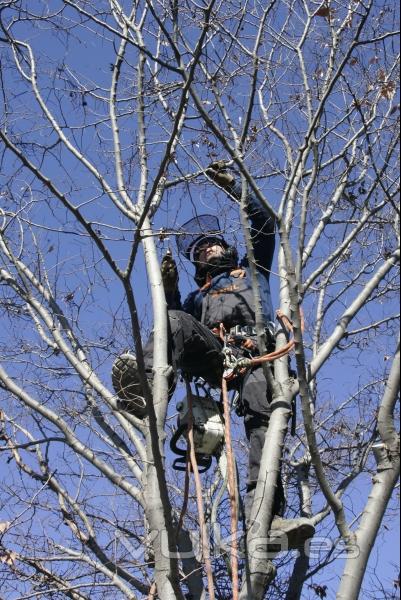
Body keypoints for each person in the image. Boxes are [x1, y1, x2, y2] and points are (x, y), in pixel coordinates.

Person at [112, 162, 315, 549]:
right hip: (216, 358)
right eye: (200, 249)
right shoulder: (196, 298)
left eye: (212, 243)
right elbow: (179, 333)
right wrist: (170, 291)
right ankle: (145, 386)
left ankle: (266, 518)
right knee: (172, 319)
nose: (208, 249)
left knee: (263, 415)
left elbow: (263, 224)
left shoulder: (251, 272)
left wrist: (236, 186)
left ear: (227, 247)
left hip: (256, 357)